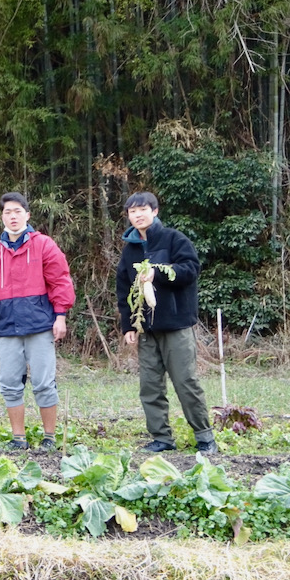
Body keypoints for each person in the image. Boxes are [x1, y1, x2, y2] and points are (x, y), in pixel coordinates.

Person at [0, 192, 75, 452]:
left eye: (17, 211)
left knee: (44, 382)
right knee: (10, 384)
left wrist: (60, 316)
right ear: (1, 217)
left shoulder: (44, 245)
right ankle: (18, 438)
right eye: (7, 212)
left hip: (40, 325)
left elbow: (60, 281)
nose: (12, 216)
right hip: (8, 328)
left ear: (27, 214)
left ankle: (49, 437)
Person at [115, 191, 217, 454]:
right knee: (150, 386)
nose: (137, 215)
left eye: (142, 210)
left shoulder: (174, 239)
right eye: (132, 212)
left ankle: (205, 437)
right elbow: (123, 288)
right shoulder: (130, 250)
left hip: (176, 325)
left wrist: (157, 273)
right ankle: (161, 438)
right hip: (145, 328)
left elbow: (190, 270)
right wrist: (128, 326)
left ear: (155, 211)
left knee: (185, 382)